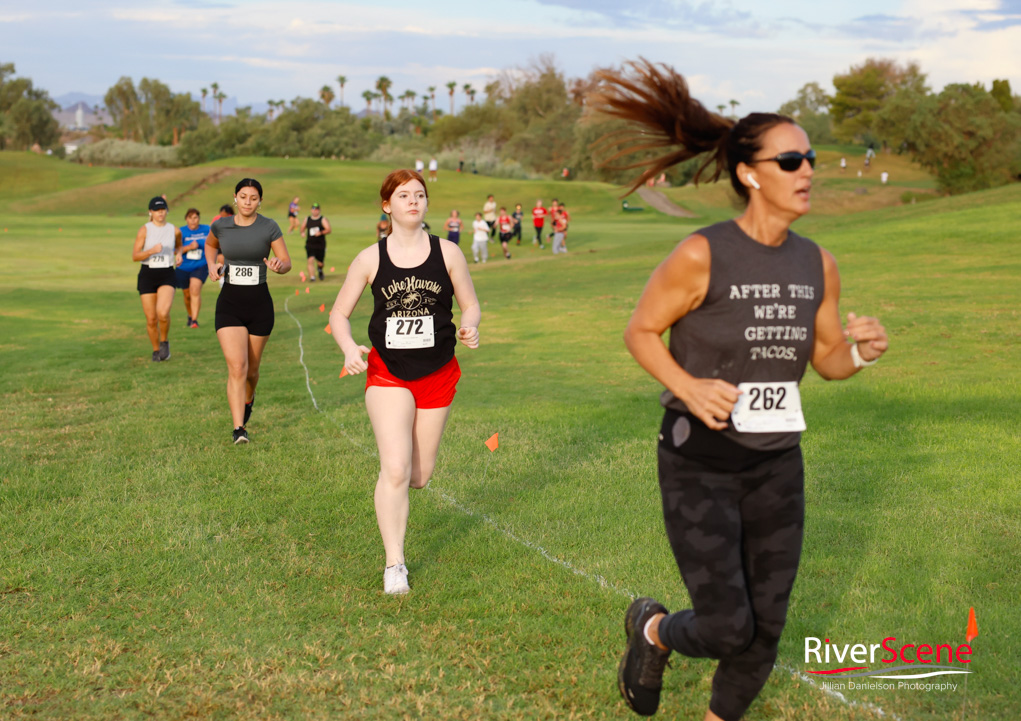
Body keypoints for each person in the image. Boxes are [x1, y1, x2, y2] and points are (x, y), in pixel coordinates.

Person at [589, 60, 889, 720]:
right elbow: (640, 331)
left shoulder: (817, 262)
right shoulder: (701, 253)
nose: (806, 169)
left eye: (809, 157)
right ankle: (652, 631)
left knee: (765, 628)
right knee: (728, 625)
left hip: (777, 461)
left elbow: (828, 362)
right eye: (790, 160)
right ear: (749, 173)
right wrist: (687, 385)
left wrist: (859, 353)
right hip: (700, 460)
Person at [328, 168, 480, 595]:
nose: (413, 201)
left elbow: (470, 305)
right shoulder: (370, 259)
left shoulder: (448, 253)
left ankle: (398, 512)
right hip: (387, 374)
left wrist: (470, 327)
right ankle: (395, 563)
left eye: (419, 194)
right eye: (403, 195)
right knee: (394, 467)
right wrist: (348, 347)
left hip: (438, 374)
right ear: (387, 205)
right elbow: (338, 314)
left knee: (418, 475)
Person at [206, 178, 292, 445]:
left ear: (259, 201)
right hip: (229, 304)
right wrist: (211, 265)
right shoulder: (221, 225)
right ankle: (239, 428)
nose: (247, 202)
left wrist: (280, 266)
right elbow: (210, 246)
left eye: (253, 198)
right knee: (237, 367)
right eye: (243, 197)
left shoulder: (269, 227)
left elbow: (287, 262)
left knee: (252, 371)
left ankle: (249, 397)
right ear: (235, 197)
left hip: (260, 305)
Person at [132, 196, 182, 361]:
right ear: (150, 212)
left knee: (162, 312)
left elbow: (179, 246)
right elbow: (135, 256)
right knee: (152, 319)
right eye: (156, 210)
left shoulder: (174, 230)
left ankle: (164, 341)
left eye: (163, 210)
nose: (160, 213)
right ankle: (156, 350)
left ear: (167, 211)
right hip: (147, 274)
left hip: (167, 273)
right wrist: (151, 251)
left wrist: (180, 254)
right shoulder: (144, 230)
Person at [176, 208, 210, 328]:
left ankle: (195, 320)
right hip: (183, 266)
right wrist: (189, 247)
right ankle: (190, 316)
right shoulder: (180, 232)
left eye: (195, 217)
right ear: (186, 219)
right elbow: (176, 250)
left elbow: (214, 244)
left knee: (195, 289)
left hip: (201, 264)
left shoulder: (207, 230)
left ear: (199, 219)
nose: (193, 220)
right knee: (187, 294)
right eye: (190, 218)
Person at [301, 202, 332, 282]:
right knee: (310, 260)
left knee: (320, 263)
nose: (315, 211)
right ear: (311, 210)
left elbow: (328, 230)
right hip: (310, 244)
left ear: (319, 210)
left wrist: (321, 232)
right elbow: (302, 228)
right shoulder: (307, 219)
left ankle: (320, 269)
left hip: (320, 245)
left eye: (317, 209)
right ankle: (312, 277)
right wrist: (302, 233)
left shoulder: (322, 219)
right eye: (314, 209)